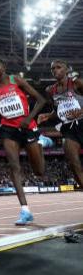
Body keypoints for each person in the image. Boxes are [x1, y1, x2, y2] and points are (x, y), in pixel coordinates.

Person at [0, 59, 47, 225]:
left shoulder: (16, 80)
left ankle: (41, 143)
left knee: (39, 172)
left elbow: (41, 100)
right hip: (8, 129)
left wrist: (29, 118)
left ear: (4, 67)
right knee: (14, 166)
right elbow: (3, 109)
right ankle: (25, 210)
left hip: (27, 127)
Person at [38, 60, 83, 190]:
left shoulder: (77, 83)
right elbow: (58, 110)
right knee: (73, 163)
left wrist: (81, 111)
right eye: (53, 69)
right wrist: (47, 115)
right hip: (68, 128)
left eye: (58, 67)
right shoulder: (50, 90)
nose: (55, 70)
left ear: (67, 70)